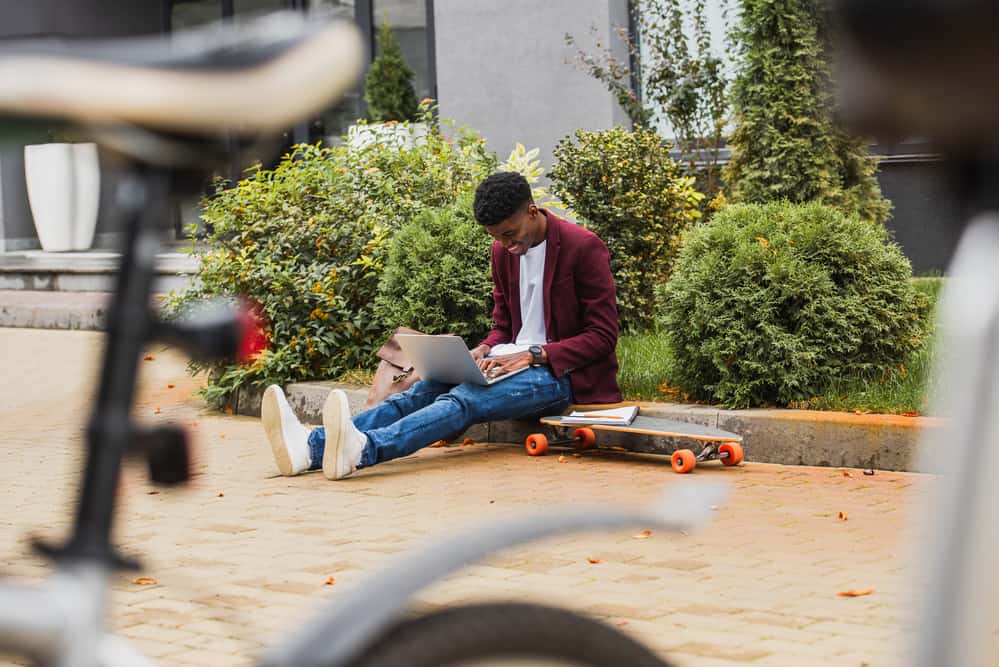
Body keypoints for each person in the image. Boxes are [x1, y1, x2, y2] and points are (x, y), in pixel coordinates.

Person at [260, 171, 622, 480]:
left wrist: (533, 355)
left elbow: (603, 337)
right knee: (421, 391)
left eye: (510, 234)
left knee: (465, 398)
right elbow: (504, 327)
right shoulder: (502, 252)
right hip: (506, 364)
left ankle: (364, 450)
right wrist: (483, 349)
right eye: (497, 237)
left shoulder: (583, 247)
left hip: (560, 377)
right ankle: (310, 448)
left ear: (532, 211)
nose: (505, 245)